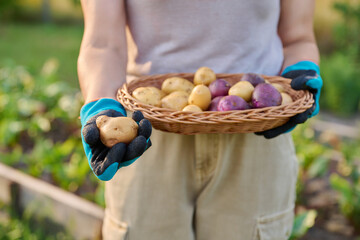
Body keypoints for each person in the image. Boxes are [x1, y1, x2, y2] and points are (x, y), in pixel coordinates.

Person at [78, 0, 323, 239]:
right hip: (146, 136)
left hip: (257, 136)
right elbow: (102, 43)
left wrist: (300, 73)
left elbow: (298, 38)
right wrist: (102, 107)